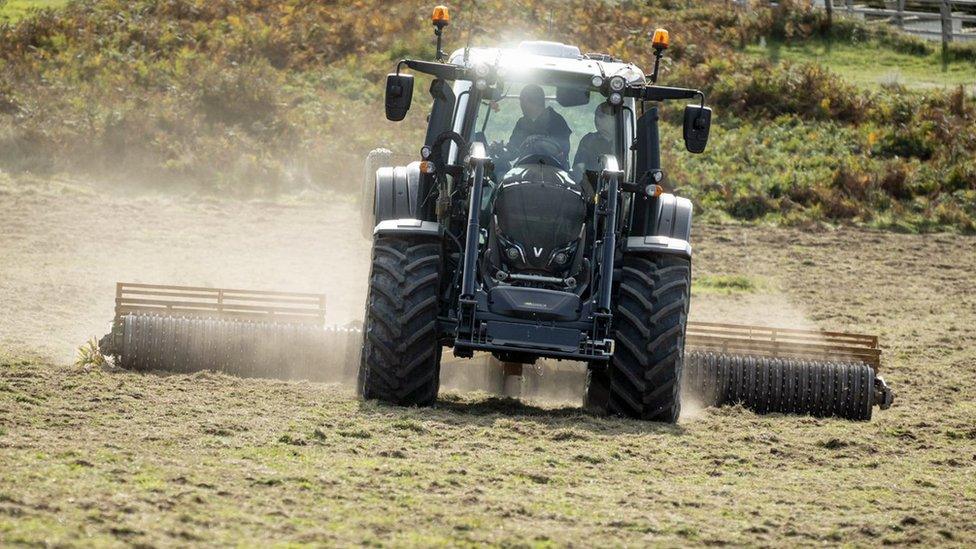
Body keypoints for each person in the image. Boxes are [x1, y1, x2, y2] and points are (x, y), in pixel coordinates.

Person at [505, 84, 572, 166]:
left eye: (522, 100)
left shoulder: (557, 121)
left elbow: (563, 150)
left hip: (554, 171)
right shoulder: (522, 123)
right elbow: (513, 152)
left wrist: (538, 140)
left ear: (536, 101)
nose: (521, 105)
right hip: (524, 170)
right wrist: (501, 150)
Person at [572, 102, 615, 179]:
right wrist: (590, 190)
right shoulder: (588, 140)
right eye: (596, 116)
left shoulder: (626, 142)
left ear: (614, 119)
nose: (597, 120)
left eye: (602, 116)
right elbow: (579, 169)